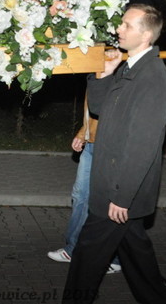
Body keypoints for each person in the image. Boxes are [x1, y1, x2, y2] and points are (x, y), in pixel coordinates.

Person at [62, 4, 166, 304]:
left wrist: (122, 196)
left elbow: (143, 145)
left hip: (118, 189)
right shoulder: (129, 68)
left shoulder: (152, 78)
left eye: (126, 25)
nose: (118, 29)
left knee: (87, 257)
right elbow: (100, 108)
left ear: (146, 35)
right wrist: (104, 75)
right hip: (115, 184)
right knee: (136, 255)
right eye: (121, 23)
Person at [46, 97, 122, 274]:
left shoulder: (119, 79)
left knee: (110, 201)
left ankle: (115, 258)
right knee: (80, 195)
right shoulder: (94, 78)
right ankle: (73, 249)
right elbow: (93, 110)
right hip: (91, 143)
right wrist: (83, 133)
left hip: (109, 145)